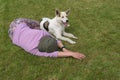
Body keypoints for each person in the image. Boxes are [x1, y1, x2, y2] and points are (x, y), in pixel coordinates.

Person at [8, 18, 85, 59]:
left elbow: (55, 46)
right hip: (14, 31)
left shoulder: (41, 33)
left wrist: (68, 51)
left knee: (37, 26)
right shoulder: (33, 48)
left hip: (17, 25)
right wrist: (70, 53)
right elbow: (54, 54)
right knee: (38, 25)